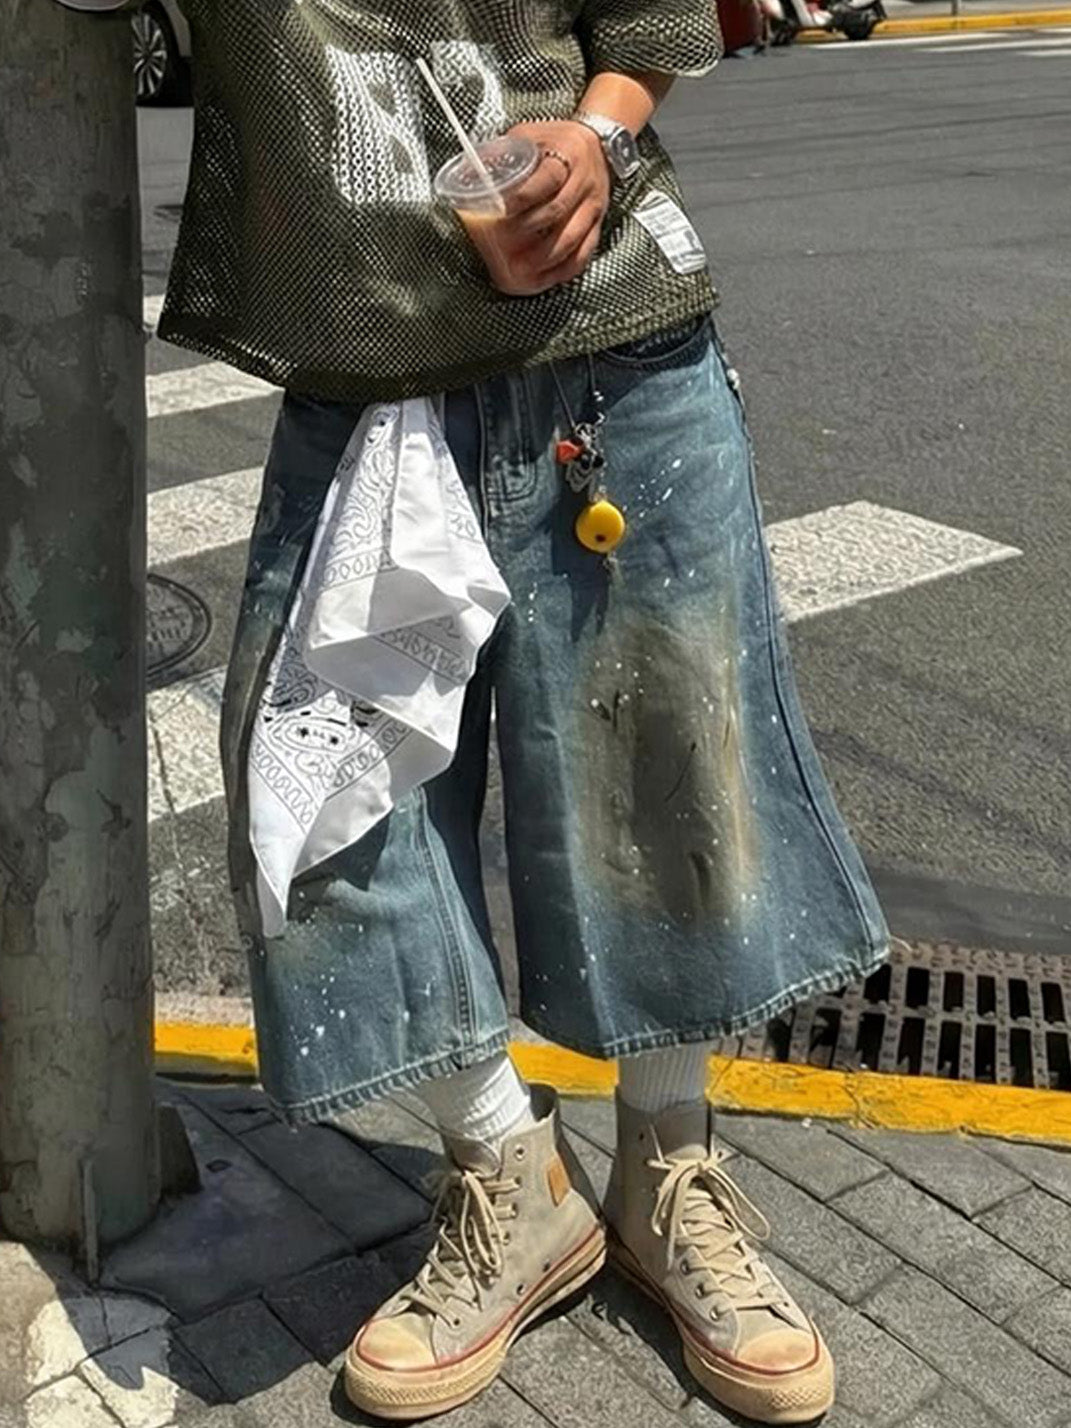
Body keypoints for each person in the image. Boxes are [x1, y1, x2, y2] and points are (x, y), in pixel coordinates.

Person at [149, 1, 890, 1421]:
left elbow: (656, 17)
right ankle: (510, 1174)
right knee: (329, 806)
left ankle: (669, 1163)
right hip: (368, 375)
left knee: (666, 770)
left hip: (614, 344)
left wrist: (598, 135)